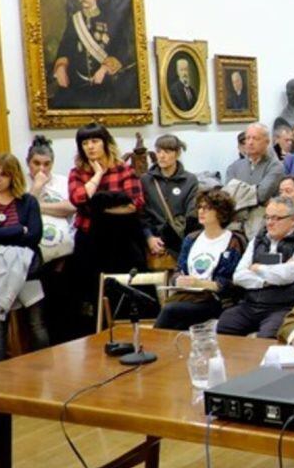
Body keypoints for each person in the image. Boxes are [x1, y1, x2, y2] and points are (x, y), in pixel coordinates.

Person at [0, 153, 49, 363]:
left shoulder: (28, 201)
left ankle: (44, 367)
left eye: (3, 175)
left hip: (27, 271)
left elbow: (34, 236)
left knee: (37, 323)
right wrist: (17, 230)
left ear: (13, 177)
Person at [68, 123, 146, 331]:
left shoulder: (124, 170)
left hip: (121, 240)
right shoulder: (77, 173)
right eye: (85, 143)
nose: (90, 147)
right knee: (92, 292)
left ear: (105, 143)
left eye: (95, 141)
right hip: (89, 240)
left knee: (122, 291)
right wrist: (97, 176)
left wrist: (99, 209)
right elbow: (78, 198)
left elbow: (135, 204)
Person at [217, 196, 294, 338]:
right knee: (224, 324)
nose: (270, 223)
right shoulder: (259, 239)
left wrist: (257, 269)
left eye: (277, 218)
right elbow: (238, 276)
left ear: (293, 219)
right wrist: (268, 280)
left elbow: (286, 275)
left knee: (268, 337)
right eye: (267, 217)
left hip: (286, 306)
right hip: (252, 304)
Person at [154, 190, 246, 331]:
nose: (201, 211)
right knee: (176, 321)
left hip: (217, 300)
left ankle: (153, 345)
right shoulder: (191, 238)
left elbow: (233, 283)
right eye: (200, 207)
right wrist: (178, 280)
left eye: (207, 208)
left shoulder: (233, 241)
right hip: (188, 296)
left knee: (170, 310)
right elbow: (179, 269)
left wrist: (201, 283)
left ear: (221, 213)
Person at [50, 0, 136, 110]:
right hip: (77, 88)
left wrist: (104, 68)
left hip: (105, 89)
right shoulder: (75, 21)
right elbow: (65, 48)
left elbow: (122, 50)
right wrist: (61, 68)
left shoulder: (110, 20)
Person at [142, 134, 198, 261]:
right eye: (158, 151)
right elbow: (142, 215)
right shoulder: (146, 180)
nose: (161, 156)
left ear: (177, 153)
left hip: (180, 238)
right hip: (155, 238)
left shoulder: (190, 180)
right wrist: (149, 238)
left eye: (167, 151)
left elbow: (192, 214)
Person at [224, 123, 285, 236]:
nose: (250, 142)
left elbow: (262, 194)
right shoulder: (234, 167)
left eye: (256, 138)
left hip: (262, 221)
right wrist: (253, 193)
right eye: (248, 138)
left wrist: (239, 190)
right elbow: (227, 197)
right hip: (235, 220)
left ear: (267, 142)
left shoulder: (275, 166)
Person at [26, 136, 75, 265]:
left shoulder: (63, 181)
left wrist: (36, 207)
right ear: (28, 162)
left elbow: (70, 208)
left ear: (52, 163)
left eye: (46, 164)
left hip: (65, 250)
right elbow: (24, 214)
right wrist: (36, 186)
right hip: (32, 251)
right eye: (36, 163)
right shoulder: (20, 183)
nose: (42, 168)